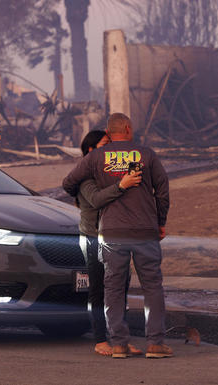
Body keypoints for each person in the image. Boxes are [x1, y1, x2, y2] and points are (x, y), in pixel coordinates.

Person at [63, 113, 172, 359]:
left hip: (111, 233)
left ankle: (119, 344)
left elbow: (68, 182)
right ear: (128, 128)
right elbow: (162, 191)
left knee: (111, 287)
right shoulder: (147, 154)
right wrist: (160, 222)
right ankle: (155, 343)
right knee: (152, 286)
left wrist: (82, 197)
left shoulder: (95, 158)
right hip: (145, 231)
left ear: (110, 134)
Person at [76, 130, 143, 356]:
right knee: (98, 289)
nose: (111, 150)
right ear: (91, 150)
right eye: (106, 145)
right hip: (94, 237)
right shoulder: (84, 176)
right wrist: (122, 186)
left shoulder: (111, 172)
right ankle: (99, 339)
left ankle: (120, 339)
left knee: (121, 288)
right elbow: (96, 199)